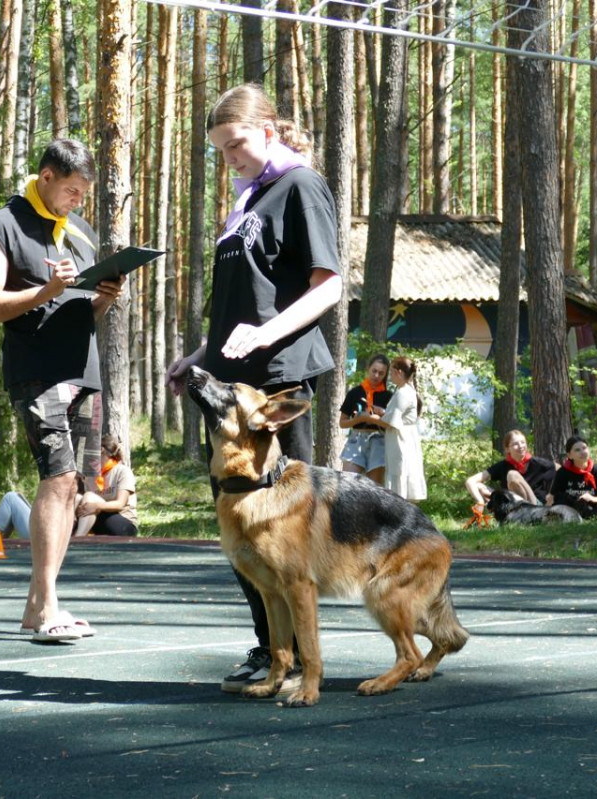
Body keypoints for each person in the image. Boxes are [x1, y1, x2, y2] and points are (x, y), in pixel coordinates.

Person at [165, 84, 343, 693]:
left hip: (276, 386)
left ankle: (299, 663)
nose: (229, 159)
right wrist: (198, 357)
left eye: (236, 144)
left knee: (284, 537)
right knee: (239, 529)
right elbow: (243, 300)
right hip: (229, 381)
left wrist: (266, 334)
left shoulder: (300, 186)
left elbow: (328, 287)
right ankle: (272, 652)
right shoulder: (249, 198)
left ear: (268, 129)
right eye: (219, 150)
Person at [0, 137, 125, 643]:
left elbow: (80, 312)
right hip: (37, 373)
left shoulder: (79, 231)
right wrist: (44, 291)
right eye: (73, 191)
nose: (79, 201)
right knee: (56, 480)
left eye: (85, 193)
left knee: (76, 489)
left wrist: (103, 298)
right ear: (46, 177)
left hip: (85, 372)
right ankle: (49, 605)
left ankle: (39, 606)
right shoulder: (3, 225)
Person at [465, 429, 557, 510]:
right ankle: (504, 512)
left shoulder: (539, 463)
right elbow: (470, 481)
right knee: (479, 486)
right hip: (510, 504)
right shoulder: (502, 466)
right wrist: (480, 502)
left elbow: (562, 471)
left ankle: (525, 513)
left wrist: (551, 499)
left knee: (512, 475)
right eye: (515, 444)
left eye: (523, 442)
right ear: (507, 449)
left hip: (534, 505)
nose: (520, 446)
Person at [379, 356, 426, 502]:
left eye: (392, 372)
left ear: (399, 372)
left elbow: (390, 422)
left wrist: (369, 418)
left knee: (400, 474)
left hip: (401, 441)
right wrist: (383, 413)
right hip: (403, 438)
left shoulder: (403, 393)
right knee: (401, 474)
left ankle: (400, 514)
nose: (390, 376)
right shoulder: (405, 390)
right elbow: (395, 416)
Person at [339, 354, 391, 485]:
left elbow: (391, 425)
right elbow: (342, 423)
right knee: (348, 483)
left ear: (386, 375)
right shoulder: (355, 393)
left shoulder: (388, 396)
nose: (376, 376)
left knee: (375, 489)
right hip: (356, 439)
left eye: (381, 373)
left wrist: (375, 419)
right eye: (374, 371)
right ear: (368, 368)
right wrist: (358, 419)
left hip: (378, 441)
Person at [74, 434, 139, 536]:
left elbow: (120, 504)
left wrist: (97, 506)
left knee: (89, 496)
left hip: (123, 524)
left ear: (101, 451)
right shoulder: (90, 476)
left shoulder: (122, 471)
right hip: (99, 519)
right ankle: (67, 539)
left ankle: (78, 539)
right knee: (77, 499)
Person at [547, 435, 597, 519]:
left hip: (591, 507)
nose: (583, 452)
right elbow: (551, 498)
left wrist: (592, 499)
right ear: (569, 455)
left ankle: (591, 516)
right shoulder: (563, 472)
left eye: (584, 448)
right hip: (569, 507)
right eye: (577, 450)